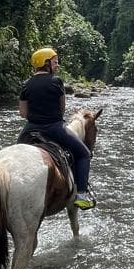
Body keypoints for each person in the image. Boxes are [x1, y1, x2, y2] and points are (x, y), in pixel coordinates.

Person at [19, 47, 95, 209]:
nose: (57, 65)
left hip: (30, 128)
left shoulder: (26, 84)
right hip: (55, 127)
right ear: (45, 63)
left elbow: (23, 113)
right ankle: (81, 195)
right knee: (84, 154)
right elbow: (62, 109)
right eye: (54, 62)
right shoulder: (56, 81)